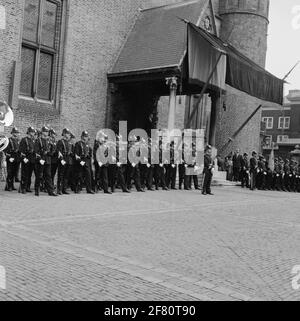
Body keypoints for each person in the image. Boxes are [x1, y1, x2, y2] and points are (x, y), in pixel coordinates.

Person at [34, 126, 58, 197]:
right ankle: (36, 189)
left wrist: (52, 147)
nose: (46, 133)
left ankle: (50, 191)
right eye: (45, 131)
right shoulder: (38, 140)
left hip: (47, 161)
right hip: (41, 160)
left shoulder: (49, 141)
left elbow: (52, 152)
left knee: (48, 176)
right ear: (42, 132)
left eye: (47, 132)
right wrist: (39, 159)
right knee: (39, 176)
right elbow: (36, 151)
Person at [19, 127, 36, 194]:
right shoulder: (24, 140)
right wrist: (24, 158)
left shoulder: (33, 140)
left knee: (29, 174)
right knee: (24, 174)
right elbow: (21, 150)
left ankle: (27, 187)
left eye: (34, 132)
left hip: (32, 159)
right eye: (32, 132)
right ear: (28, 132)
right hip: (26, 159)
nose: (33, 133)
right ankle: (23, 188)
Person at [56, 128, 72, 195]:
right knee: (61, 175)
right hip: (62, 159)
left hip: (68, 159)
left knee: (66, 175)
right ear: (64, 134)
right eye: (67, 133)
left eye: (69, 134)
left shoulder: (68, 142)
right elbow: (59, 152)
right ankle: (59, 189)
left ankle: (64, 189)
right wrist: (61, 160)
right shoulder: (60, 141)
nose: (68, 135)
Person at [5, 127, 20, 191]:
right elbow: (5, 150)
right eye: (15, 132)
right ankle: (8, 186)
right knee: (10, 173)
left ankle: (12, 185)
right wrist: (8, 157)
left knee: (14, 173)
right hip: (11, 158)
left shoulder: (18, 140)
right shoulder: (9, 140)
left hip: (16, 159)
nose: (16, 134)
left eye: (17, 133)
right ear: (12, 133)